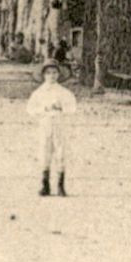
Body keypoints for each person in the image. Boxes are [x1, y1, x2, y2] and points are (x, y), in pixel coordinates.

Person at [27, 59, 78, 197]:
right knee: (44, 152)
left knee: (60, 152)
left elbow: (72, 107)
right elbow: (31, 109)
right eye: (48, 73)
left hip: (59, 124)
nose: (52, 76)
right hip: (45, 124)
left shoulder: (63, 92)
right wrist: (44, 109)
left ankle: (61, 185)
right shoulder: (39, 92)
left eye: (54, 72)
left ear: (59, 74)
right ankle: (45, 184)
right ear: (44, 75)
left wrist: (61, 107)